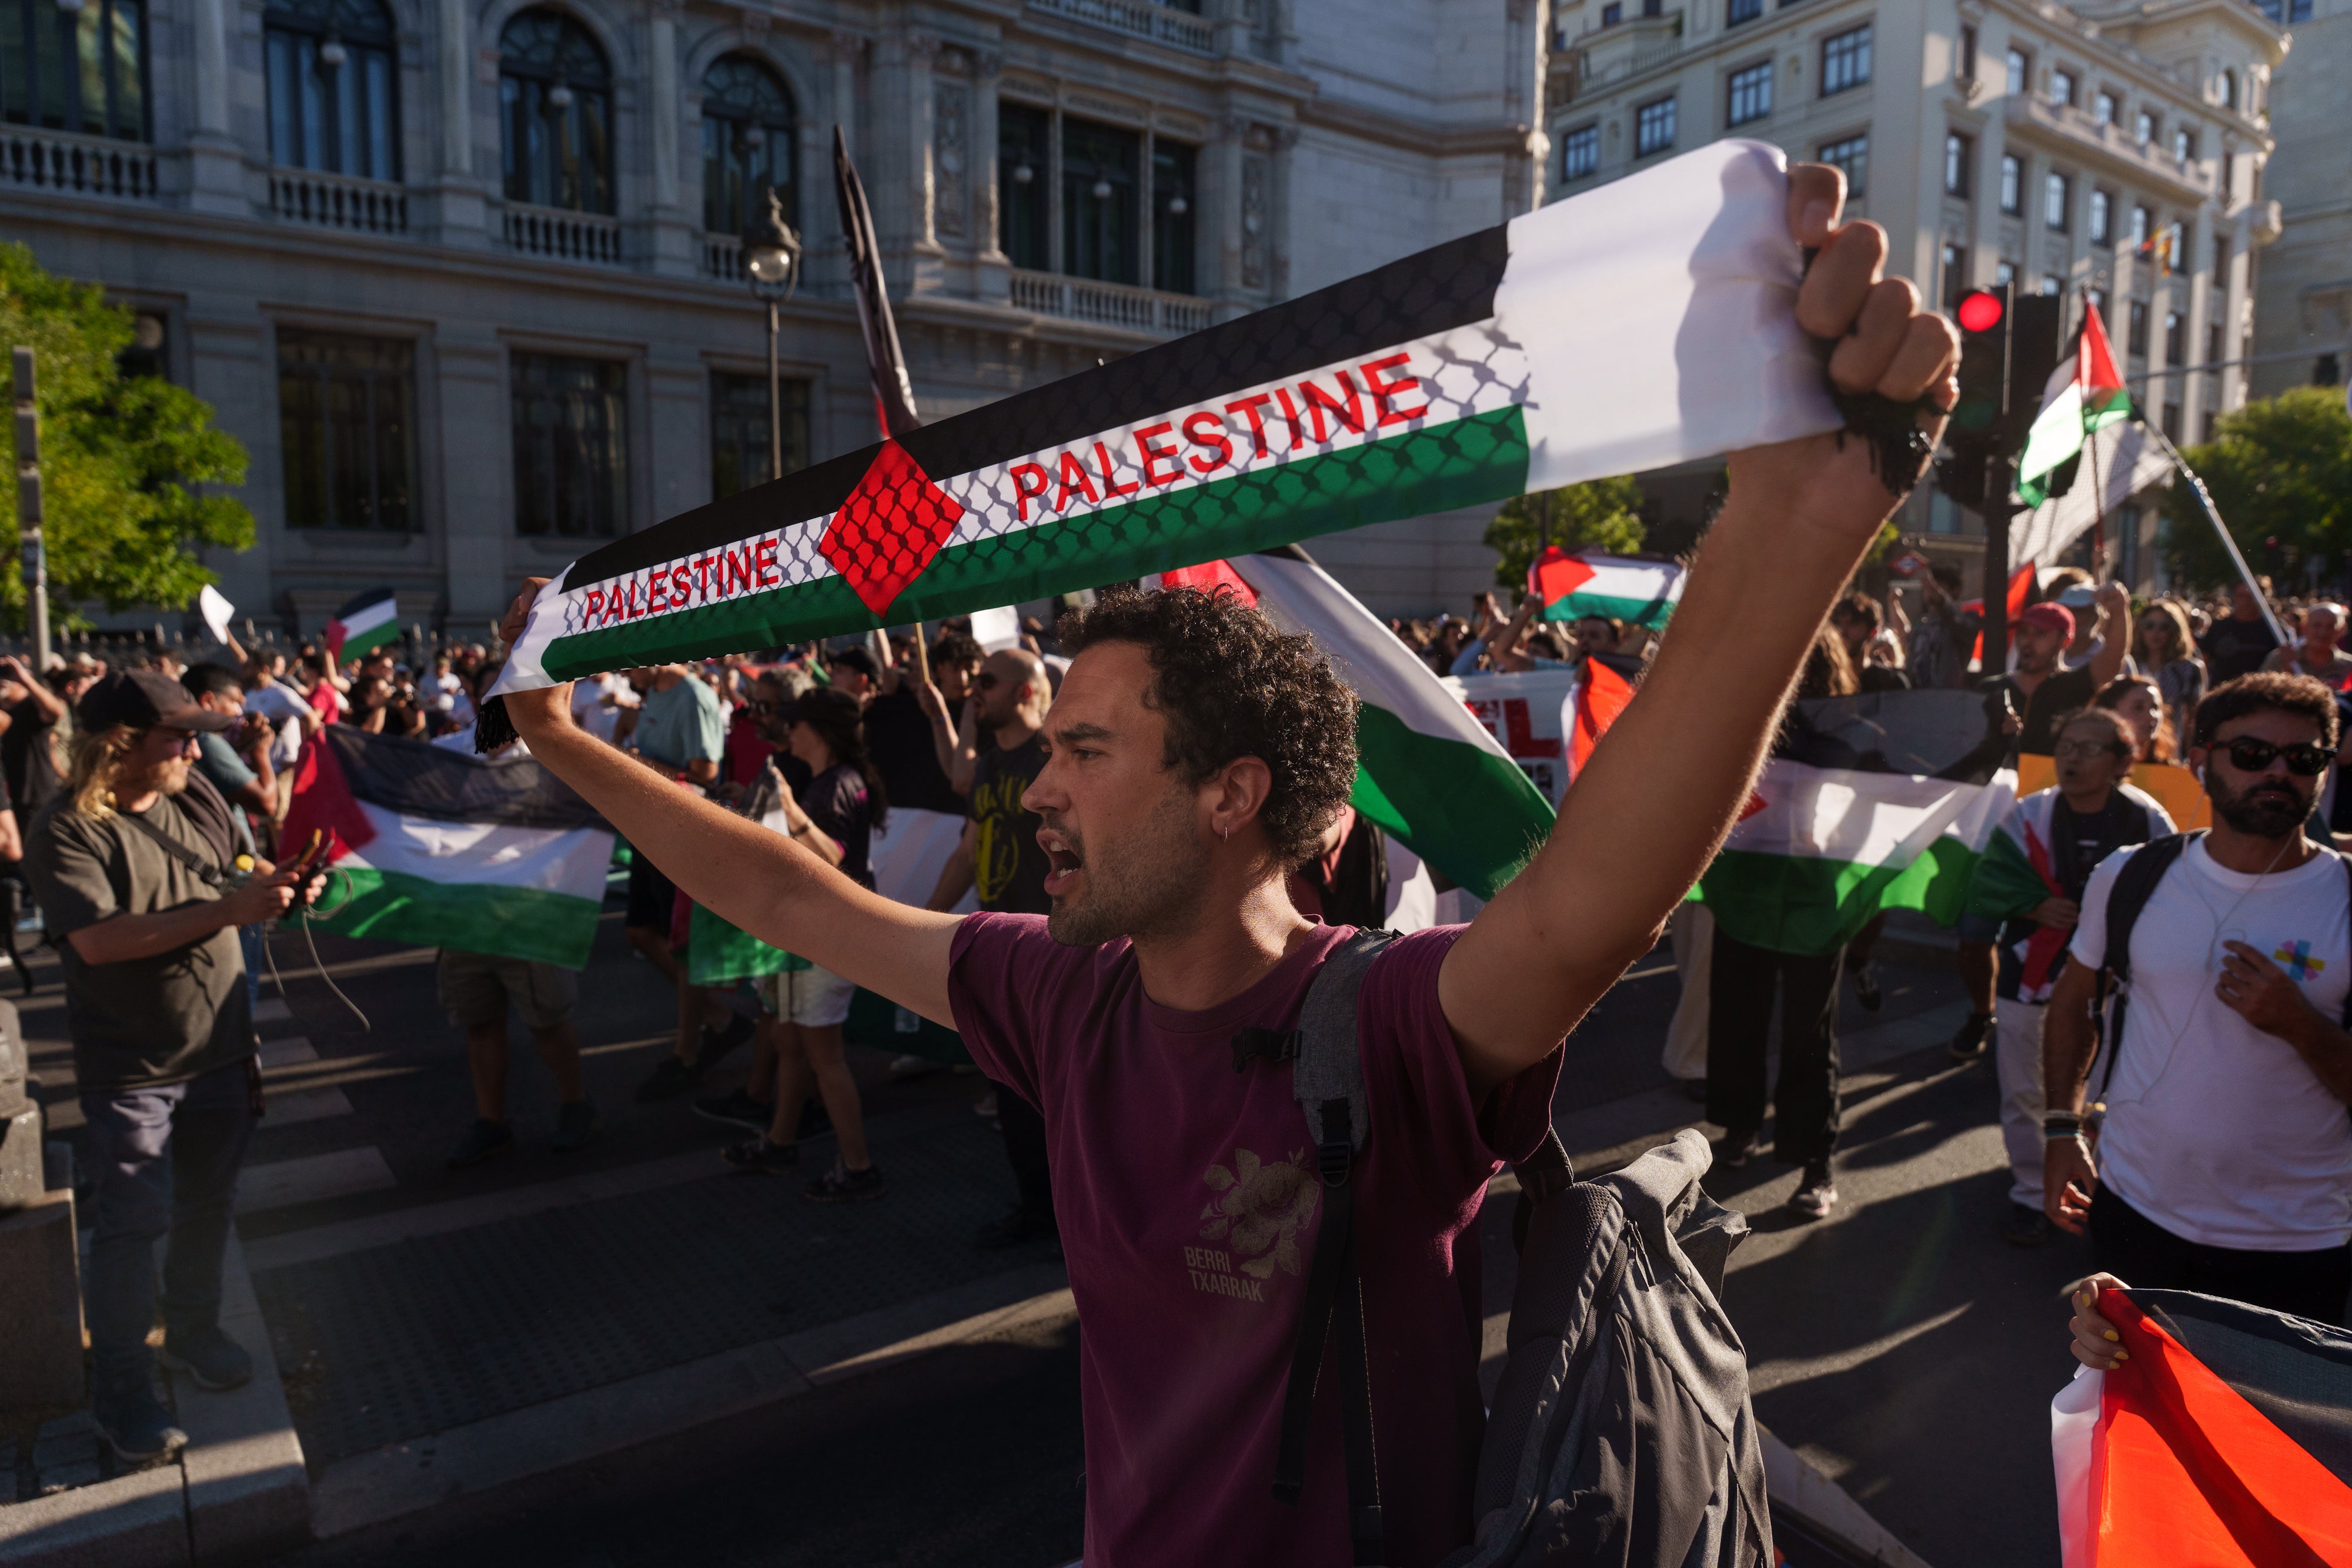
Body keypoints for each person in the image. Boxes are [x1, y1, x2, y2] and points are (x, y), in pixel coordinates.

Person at [493, 165, 1955, 1565]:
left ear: (1228, 796)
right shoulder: (1055, 991)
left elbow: (1584, 906)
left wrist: (1792, 516)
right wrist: (554, 736)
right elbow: (788, 894)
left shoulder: (1381, 1026)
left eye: (1087, 752)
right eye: (1048, 744)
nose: (1040, 790)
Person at [24, 672, 324, 1462]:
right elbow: (100, 939)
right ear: (118, 746)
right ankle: (122, 1385)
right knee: (133, 1221)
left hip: (221, 1047)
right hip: (134, 1065)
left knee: (207, 1202)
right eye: (178, 736)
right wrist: (231, 910)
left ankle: (191, 1327)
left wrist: (286, 885)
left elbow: (241, 866)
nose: (196, 747)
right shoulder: (65, 829)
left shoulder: (197, 798)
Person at [2042, 673, 2352, 1323]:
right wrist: (2061, 1129)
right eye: (2250, 755)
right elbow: (2073, 1003)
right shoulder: (2129, 874)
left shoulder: (2344, 899)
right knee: (2131, 1415)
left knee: (2259, 1428)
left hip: (2296, 1241)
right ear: (2198, 759)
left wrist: (2300, 1026)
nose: (2277, 773)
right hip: (2135, 1213)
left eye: (2303, 759)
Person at [1966, 707, 2174, 1248]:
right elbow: (1989, 881)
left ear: (2122, 761)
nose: (2072, 758)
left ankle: (2094, 1195)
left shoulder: (2150, 822)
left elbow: (2174, 894)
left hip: (2113, 990)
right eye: (2066, 746)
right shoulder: (2028, 815)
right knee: (2024, 1092)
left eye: (2089, 748)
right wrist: (2035, 904)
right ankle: (2031, 1195)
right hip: (2028, 976)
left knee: (2104, 1093)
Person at [1706, 624, 1860, 1220]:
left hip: (1813, 896)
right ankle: (1740, 1128)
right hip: (1747, 886)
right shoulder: (1739, 721)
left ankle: (1814, 1162)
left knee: (1807, 1032)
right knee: (1737, 1013)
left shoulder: (1846, 732)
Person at [719, 687, 888, 1200]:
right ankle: (781, 1140)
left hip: (827, 936)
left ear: (820, 732)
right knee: (791, 1040)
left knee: (823, 1054)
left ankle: (859, 1167)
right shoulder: (838, 779)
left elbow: (830, 857)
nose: (788, 731)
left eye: (796, 724)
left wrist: (789, 810)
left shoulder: (832, 784)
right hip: (816, 934)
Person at [925, 647, 1059, 1247]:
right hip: (1001, 942)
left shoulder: (1053, 760)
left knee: (1060, 1095)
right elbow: (966, 848)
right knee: (1011, 1090)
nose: (976, 690)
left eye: (988, 682)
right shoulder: (986, 766)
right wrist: (926, 920)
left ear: (1027, 691)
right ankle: (1036, 1211)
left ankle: (1074, 1223)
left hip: (1059, 947)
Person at [622, 664, 753, 1102]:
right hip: (647, 823)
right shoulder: (654, 691)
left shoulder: (695, 696)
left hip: (679, 828)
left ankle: (687, 1052)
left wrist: (635, 764)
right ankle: (719, 1021)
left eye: (626, 665)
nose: (623, 676)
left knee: (681, 945)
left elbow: (707, 772)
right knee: (641, 934)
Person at [2130, 599, 2206, 743]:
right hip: (2131, 744)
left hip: (2170, 748)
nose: (2155, 632)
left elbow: (2194, 719)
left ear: (2175, 630)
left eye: (2164, 627)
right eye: (2149, 625)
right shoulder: (2130, 663)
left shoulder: (2189, 669)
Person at [1903, 563, 1976, 691]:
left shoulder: (1966, 620)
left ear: (1956, 590)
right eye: (1926, 588)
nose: (1930, 594)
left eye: (1938, 587)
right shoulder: (1922, 624)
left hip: (1948, 701)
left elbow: (1954, 618)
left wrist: (1932, 587)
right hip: (1916, 700)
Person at [2199, 577, 2281, 686]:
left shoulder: (2275, 631)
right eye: (2241, 596)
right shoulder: (2219, 626)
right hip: (2222, 695)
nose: (2246, 601)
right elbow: (2204, 661)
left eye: (2251, 596)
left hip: (2258, 694)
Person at [1829, 590, 1908, 693]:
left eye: (1852, 624)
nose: (1842, 632)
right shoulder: (1823, 682)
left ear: (1873, 632)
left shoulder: (1891, 683)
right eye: (1837, 624)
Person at [2262, 601, 2352, 690]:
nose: (2323, 633)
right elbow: (2259, 695)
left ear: (2342, 630)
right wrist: (2285, 677)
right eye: (2317, 626)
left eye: (2331, 626)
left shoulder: (2349, 667)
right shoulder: (2281, 659)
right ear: (2305, 627)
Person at [2094, 674, 2176, 764]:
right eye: (2138, 707)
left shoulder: (2170, 772)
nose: (2151, 716)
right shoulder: (2094, 766)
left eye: (2155, 708)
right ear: (2111, 713)